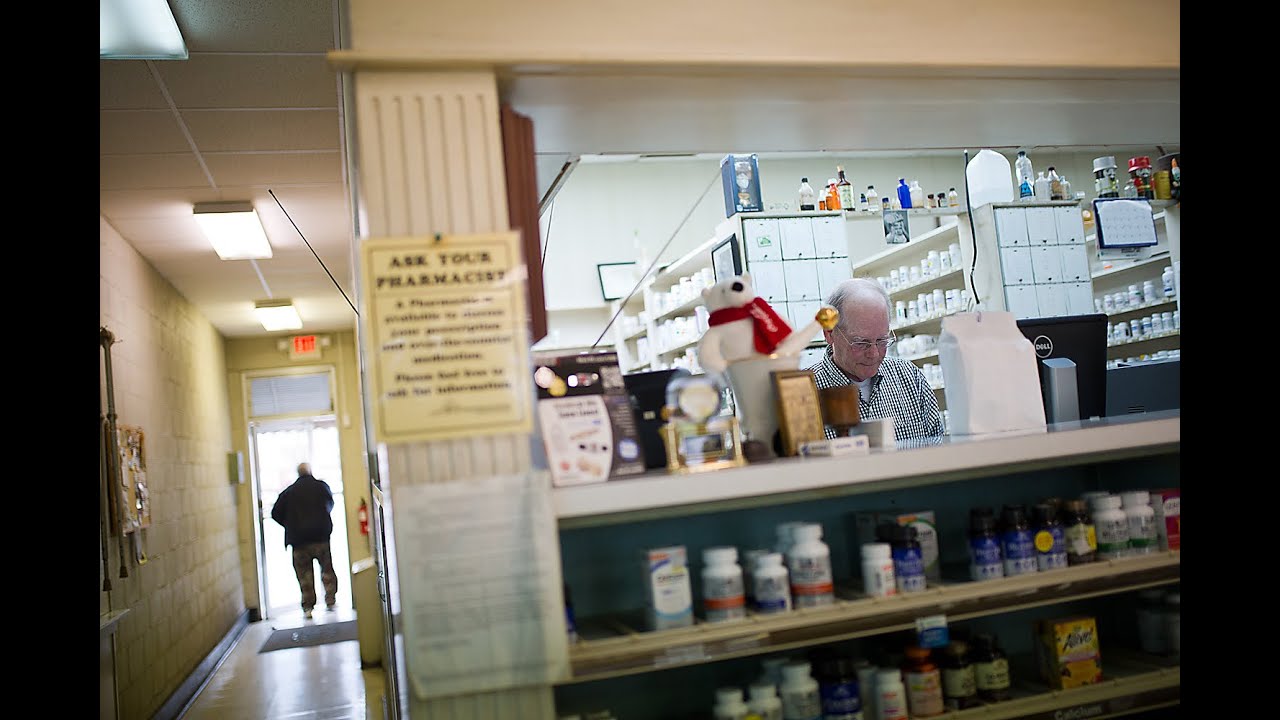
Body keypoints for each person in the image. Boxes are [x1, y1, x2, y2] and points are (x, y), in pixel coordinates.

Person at [810, 278, 942, 442]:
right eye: (860, 343)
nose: (873, 353)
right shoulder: (803, 395)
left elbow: (937, 448)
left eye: (882, 341)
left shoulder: (910, 378)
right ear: (829, 333)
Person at [271, 462, 338, 619]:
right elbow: (330, 503)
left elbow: (275, 513)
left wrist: (289, 524)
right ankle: (330, 600)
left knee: (304, 576)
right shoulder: (321, 487)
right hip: (320, 537)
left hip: (299, 541)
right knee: (327, 570)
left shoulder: (288, 492)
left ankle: (308, 606)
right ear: (310, 471)